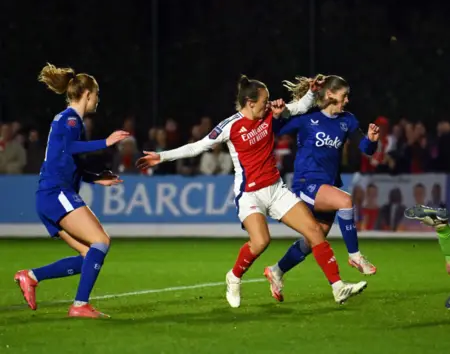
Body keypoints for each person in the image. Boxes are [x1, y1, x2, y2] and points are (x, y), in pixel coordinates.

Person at [136, 75, 367, 307]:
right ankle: (234, 276)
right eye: (264, 101)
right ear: (250, 102)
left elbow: (300, 107)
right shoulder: (230, 126)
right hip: (250, 194)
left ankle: (338, 287)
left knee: (315, 232)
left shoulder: (268, 114)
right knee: (261, 241)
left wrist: (311, 92)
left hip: (276, 190)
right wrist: (162, 156)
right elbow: (198, 146)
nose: (268, 104)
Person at [14, 63, 129, 318]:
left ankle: (30, 277)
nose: (97, 100)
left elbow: (68, 159)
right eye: (96, 94)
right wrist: (105, 142)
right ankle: (79, 306)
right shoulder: (70, 119)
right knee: (101, 241)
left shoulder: (68, 121)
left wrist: (95, 178)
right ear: (87, 93)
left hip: (48, 196)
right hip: (56, 193)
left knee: (89, 254)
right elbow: (70, 148)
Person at [263, 75, 379, 302]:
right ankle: (355, 256)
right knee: (345, 201)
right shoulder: (308, 118)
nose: (347, 100)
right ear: (330, 94)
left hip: (327, 185)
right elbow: (276, 130)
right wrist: (276, 117)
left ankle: (276, 271)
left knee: (313, 240)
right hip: (307, 183)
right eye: (344, 95)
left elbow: (366, 148)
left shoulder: (348, 120)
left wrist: (372, 140)